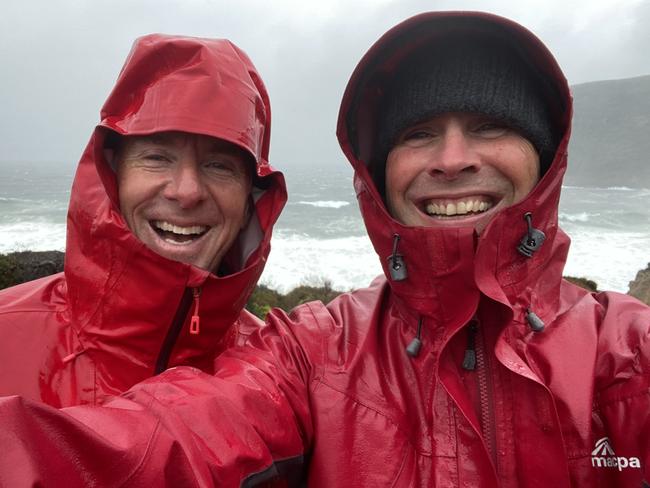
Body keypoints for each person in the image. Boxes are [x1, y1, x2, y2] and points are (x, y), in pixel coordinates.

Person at [1, 11, 648, 488]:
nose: (453, 160)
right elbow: (159, 443)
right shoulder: (311, 352)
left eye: (490, 127)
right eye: (420, 133)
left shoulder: (629, 356)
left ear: (545, 156)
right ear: (378, 170)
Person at [0, 34, 285, 406]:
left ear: (251, 199)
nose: (186, 191)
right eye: (157, 157)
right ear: (111, 175)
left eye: (219, 165)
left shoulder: (276, 379)